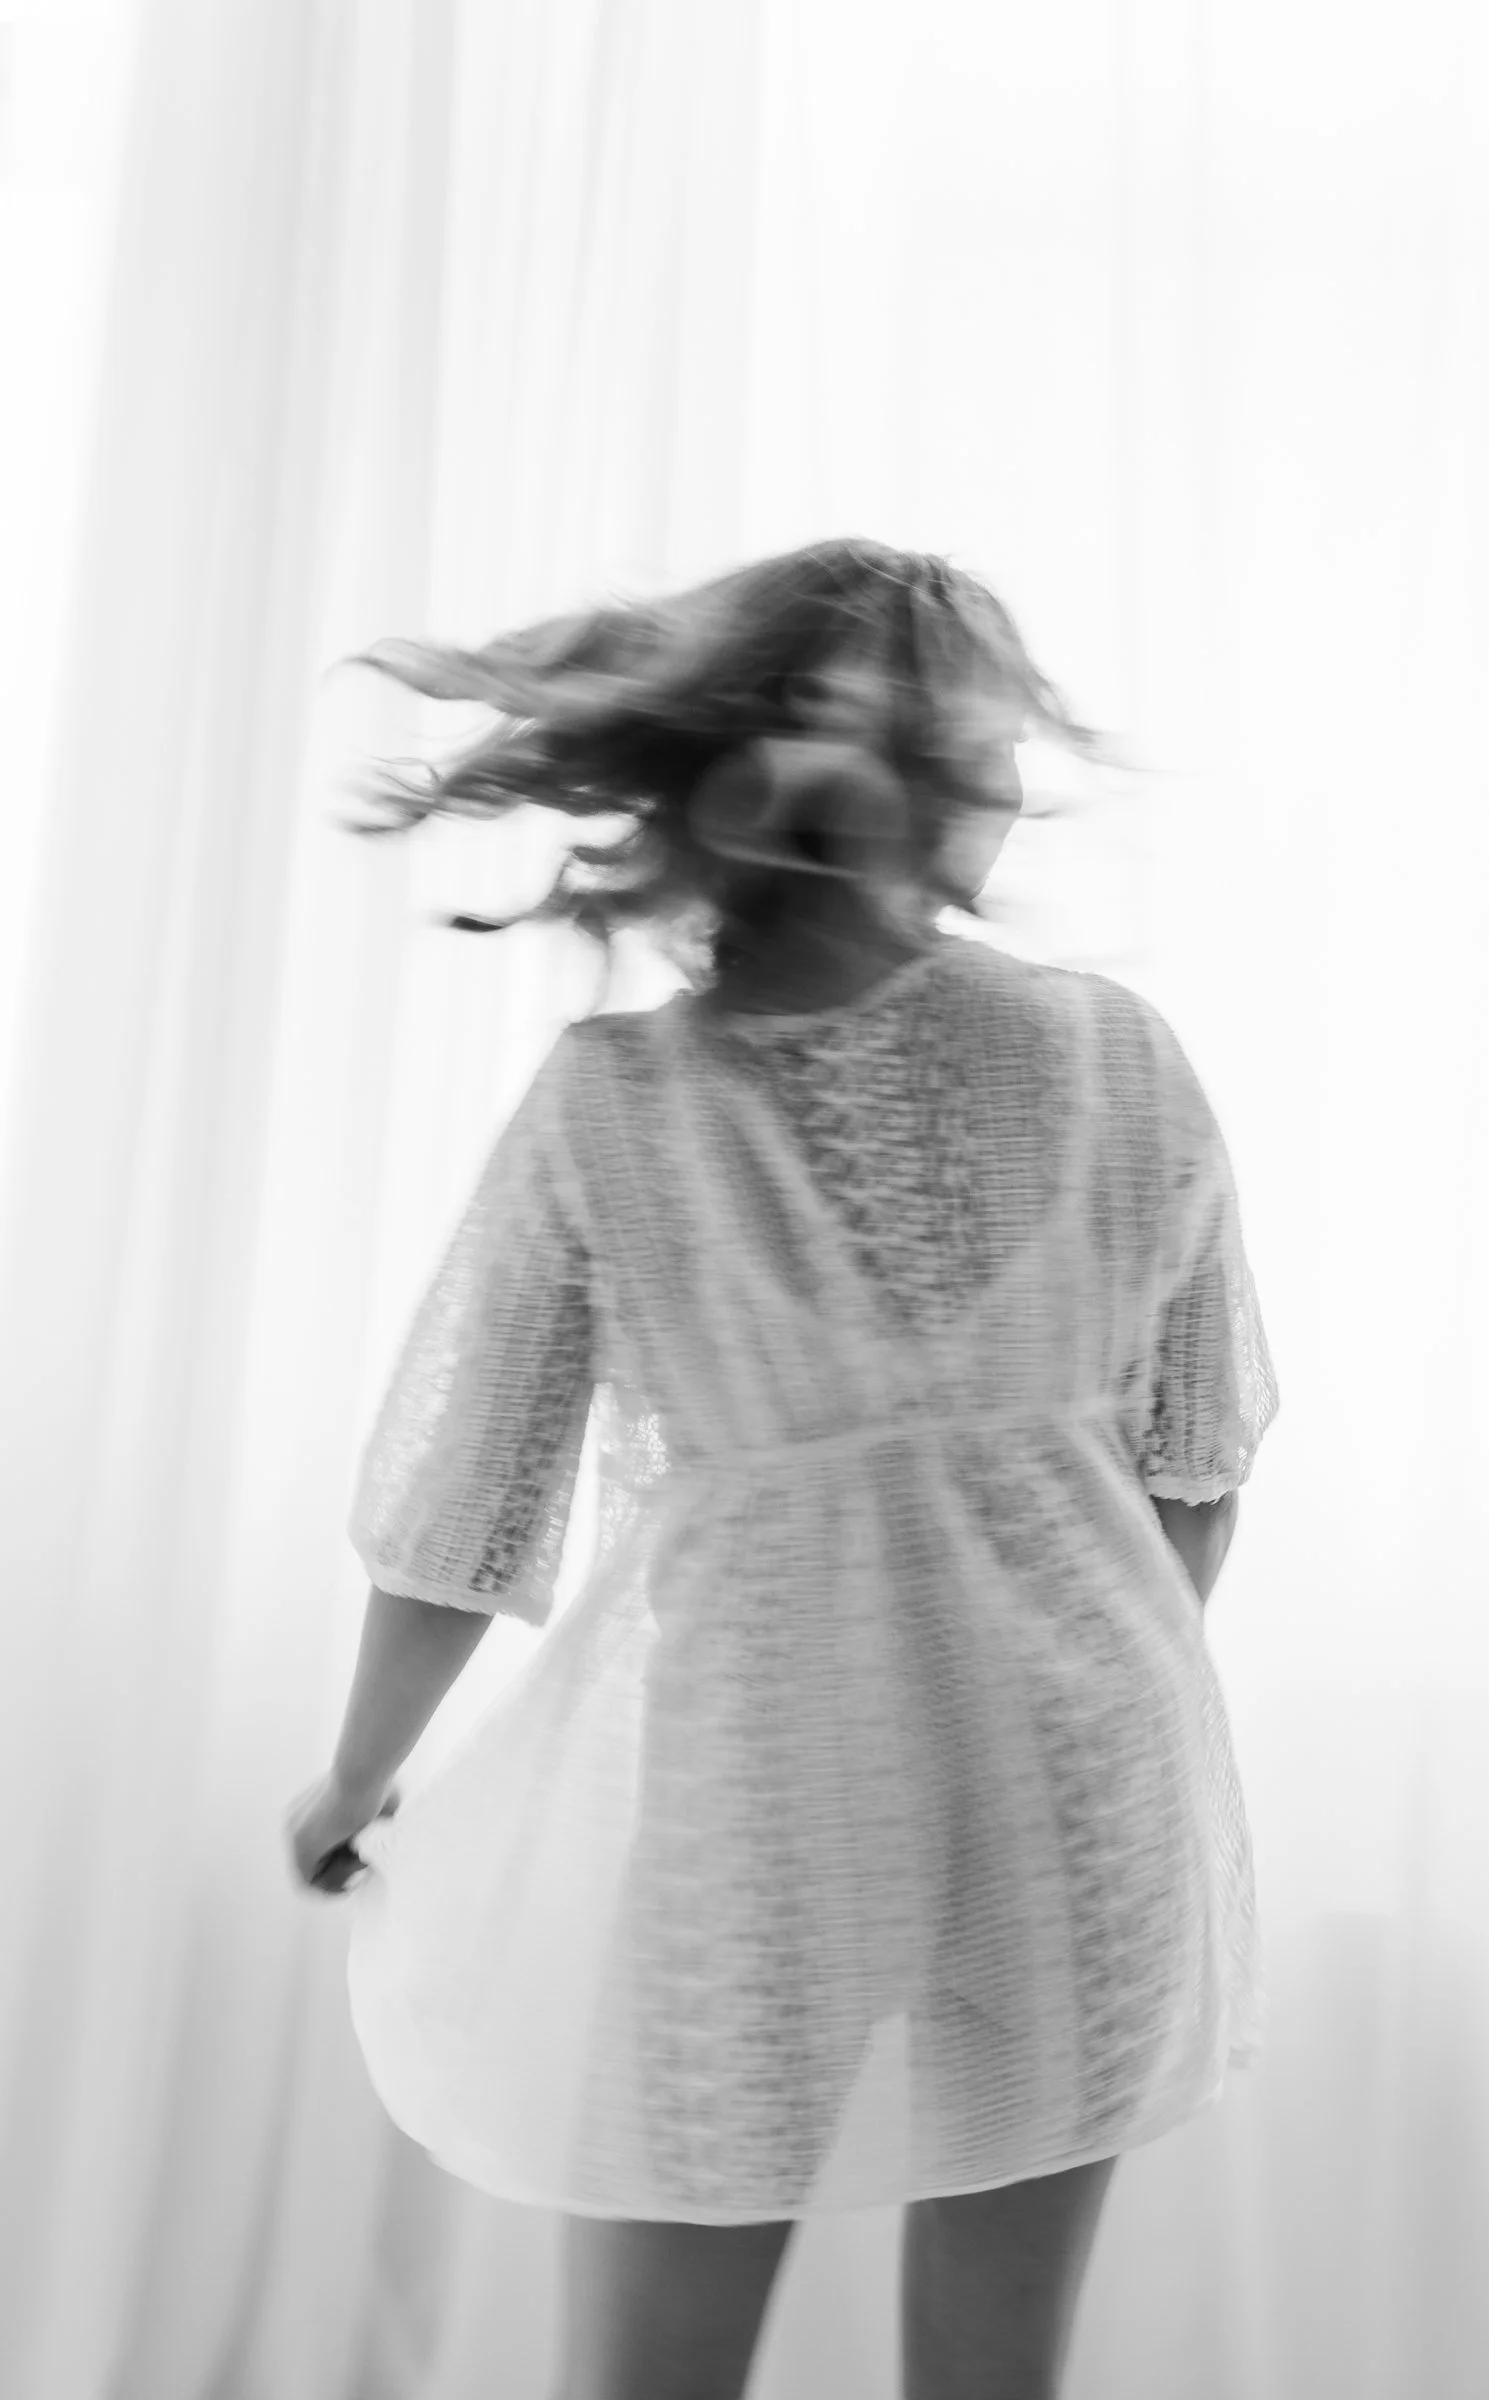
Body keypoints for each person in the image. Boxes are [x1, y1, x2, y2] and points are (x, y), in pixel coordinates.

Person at [284, 536, 1280, 2400]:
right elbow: (1202, 1460)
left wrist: (358, 1773)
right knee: (994, 2375)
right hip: (1081, 1775)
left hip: (764, 1781)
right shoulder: (1117, 1057)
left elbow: (460, 1506)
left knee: (660, 2368)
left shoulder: (621, 1099)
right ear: (951, 780)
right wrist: (1075, 1656)